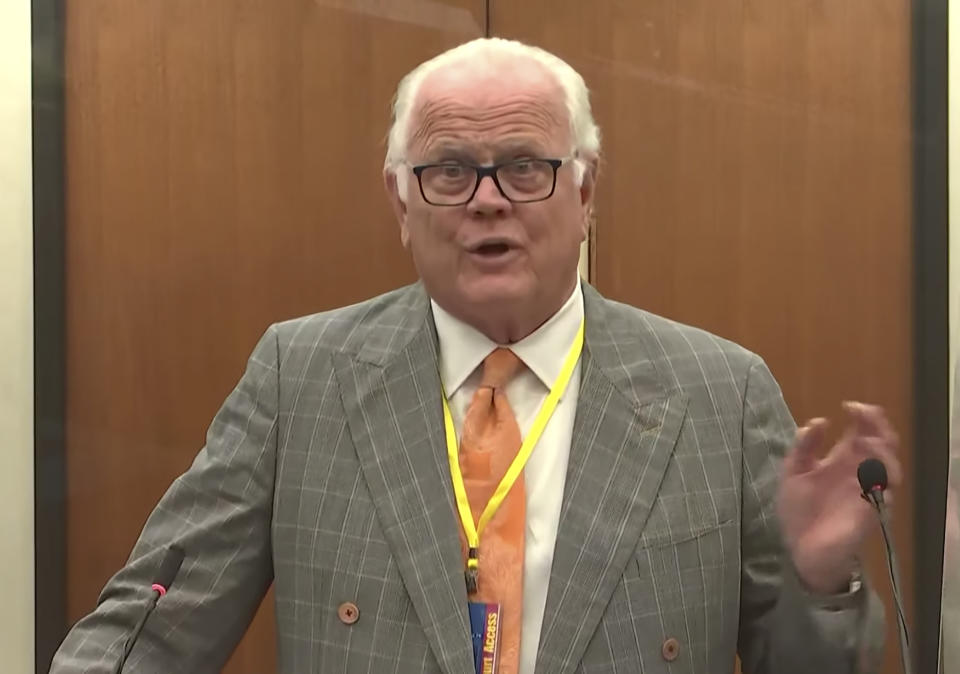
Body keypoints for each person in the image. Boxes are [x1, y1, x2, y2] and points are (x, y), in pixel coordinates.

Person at [52, 37, 899, 674]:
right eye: (450, 171)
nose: (488, 202)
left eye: (525, 167)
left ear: (586, 190)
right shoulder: (299, 377)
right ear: (400, 201)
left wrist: (819, 583)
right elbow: (153, 628)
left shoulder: (719, 392)